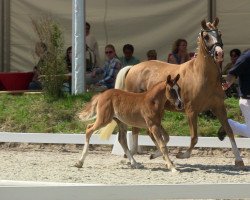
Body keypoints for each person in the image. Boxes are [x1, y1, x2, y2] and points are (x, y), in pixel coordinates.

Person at [218, 49, 250, 140]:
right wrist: (227, 84)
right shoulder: (246, 57)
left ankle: (229, 125)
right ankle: (229, 124)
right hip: (248, 101)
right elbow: (233, 73)